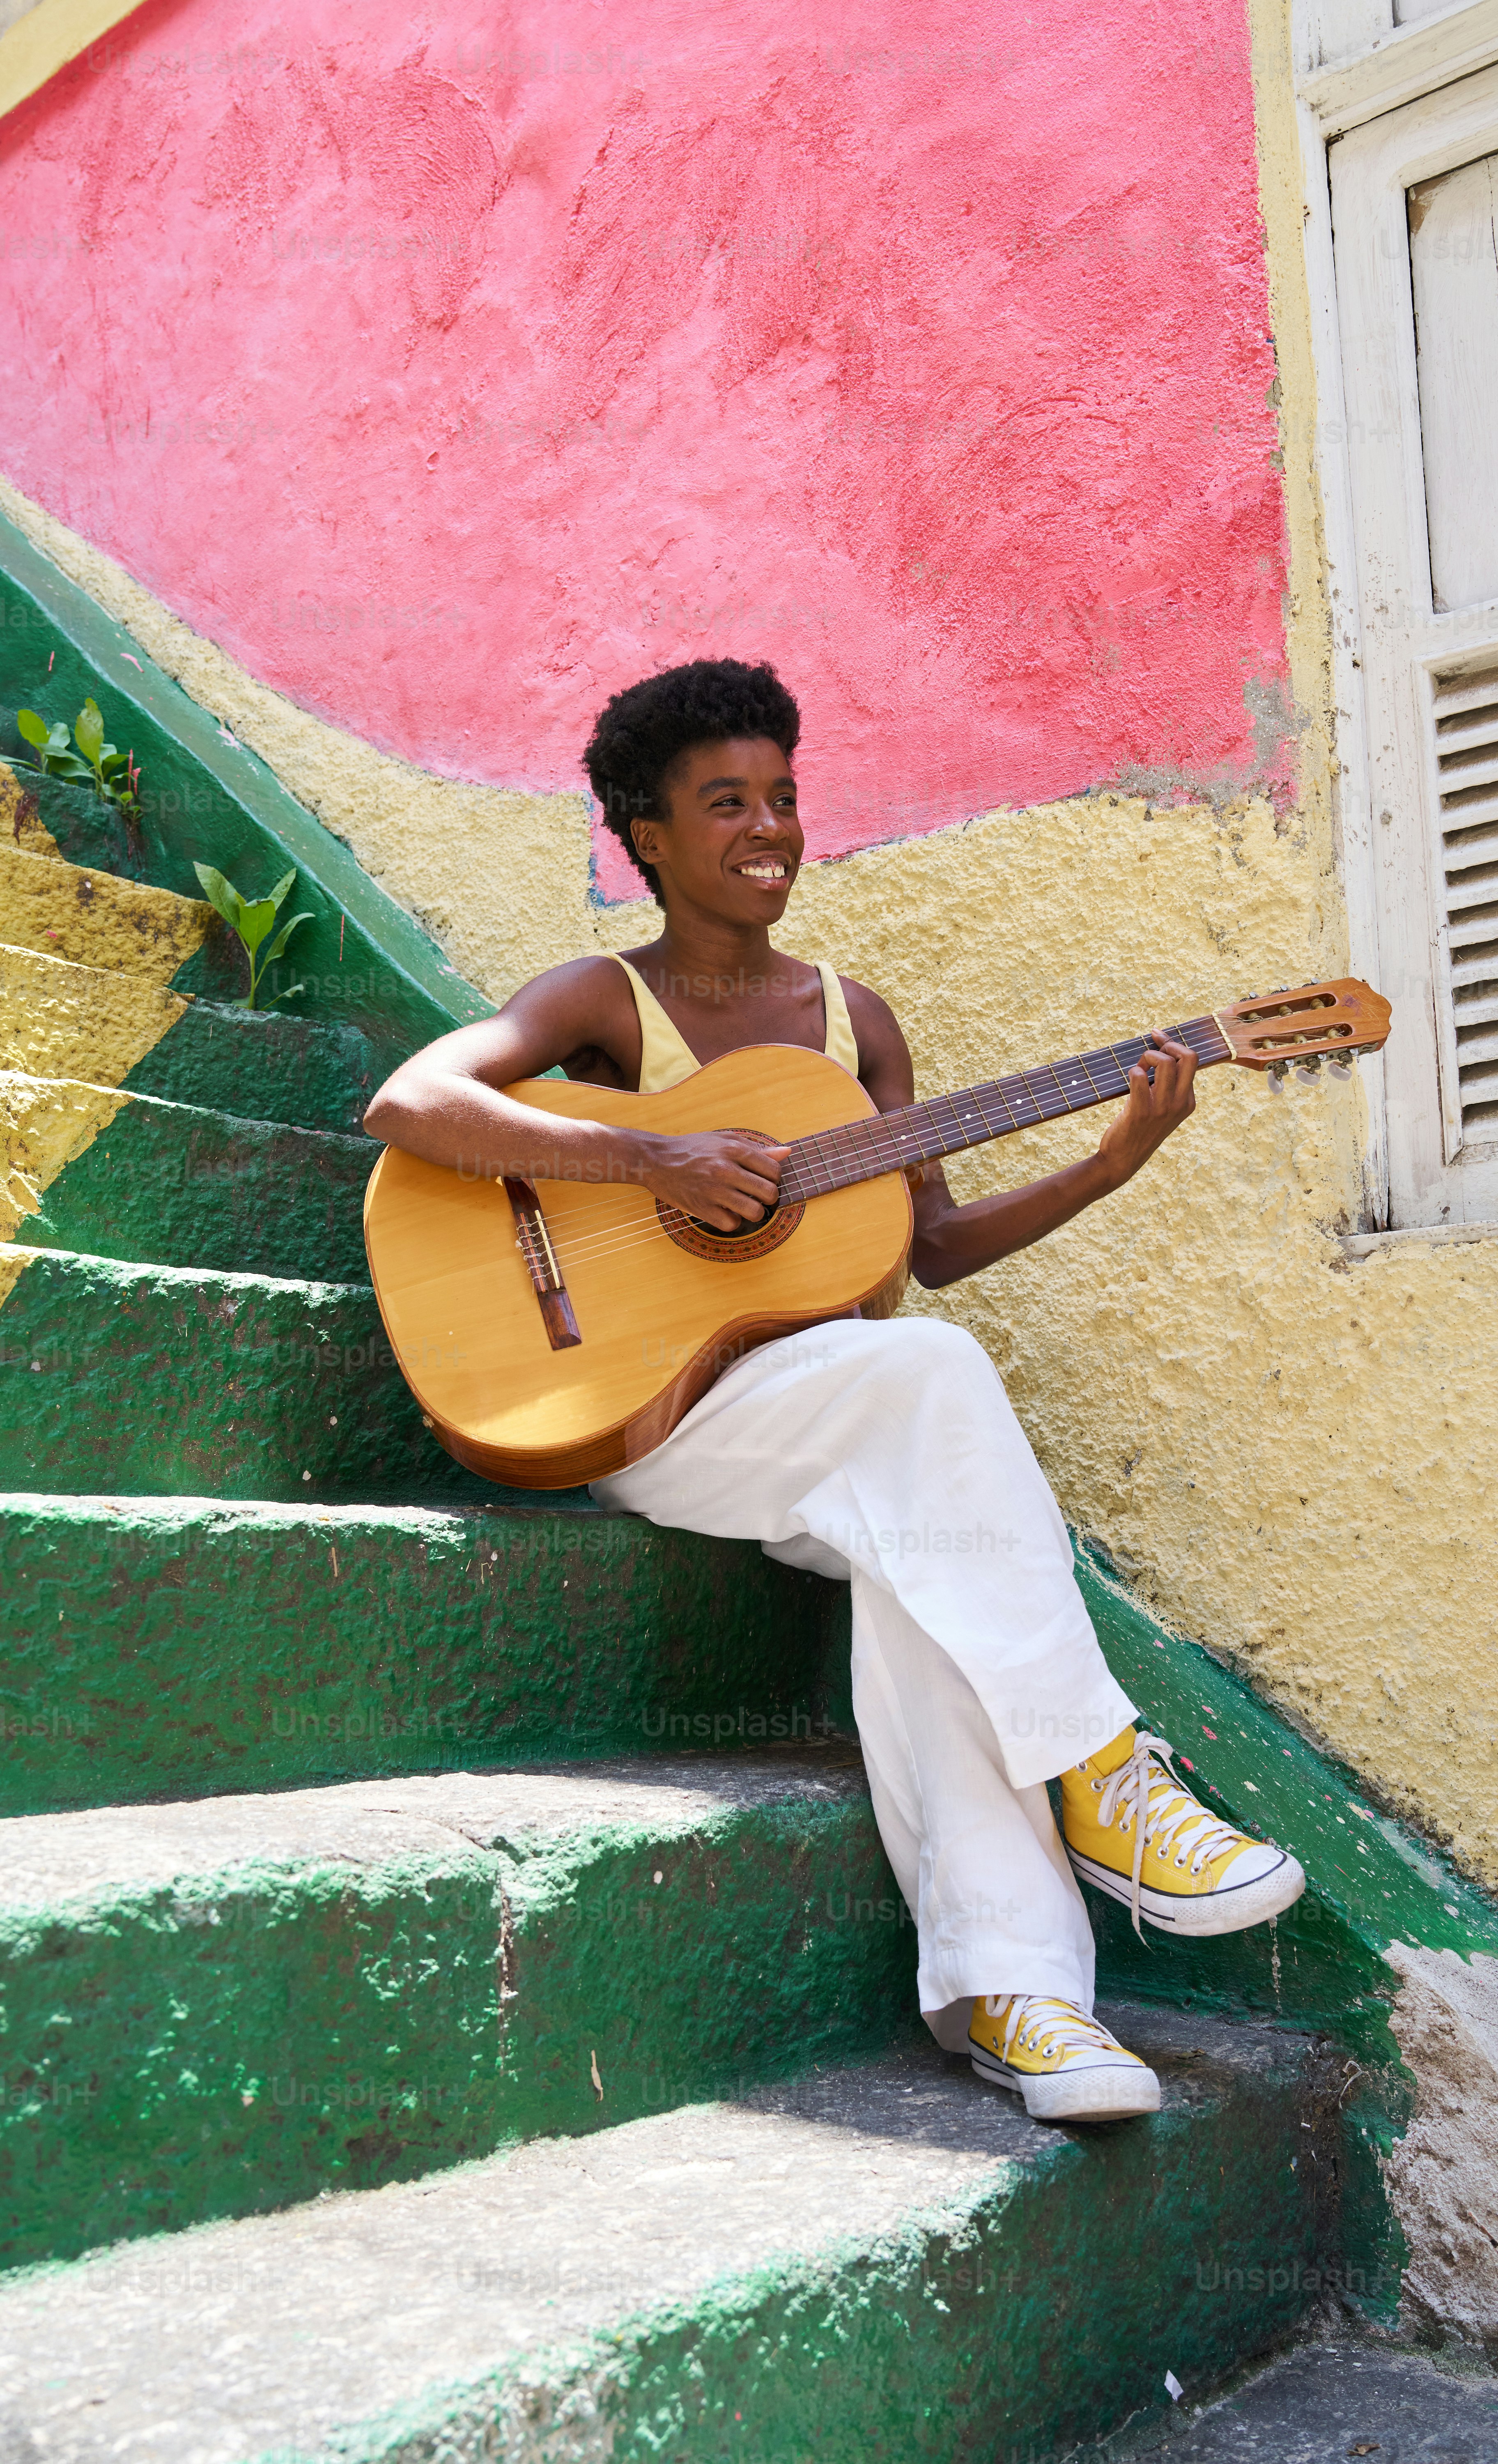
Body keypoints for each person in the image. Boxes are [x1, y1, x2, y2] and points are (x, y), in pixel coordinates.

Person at [364, 657, 1305, 2124]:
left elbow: (926, 1246)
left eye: (786, 798)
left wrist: (1107, 1164)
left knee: (923, 1561)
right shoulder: (605, 998)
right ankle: (1108, 1780)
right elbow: (412, 1101)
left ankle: (1023, 2001)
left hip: (833, 1425)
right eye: (723, 800)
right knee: (924, 1385)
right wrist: (650, 1159)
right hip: (658, 1417)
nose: (768, 827)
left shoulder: (854, 1026)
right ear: (649, 837)